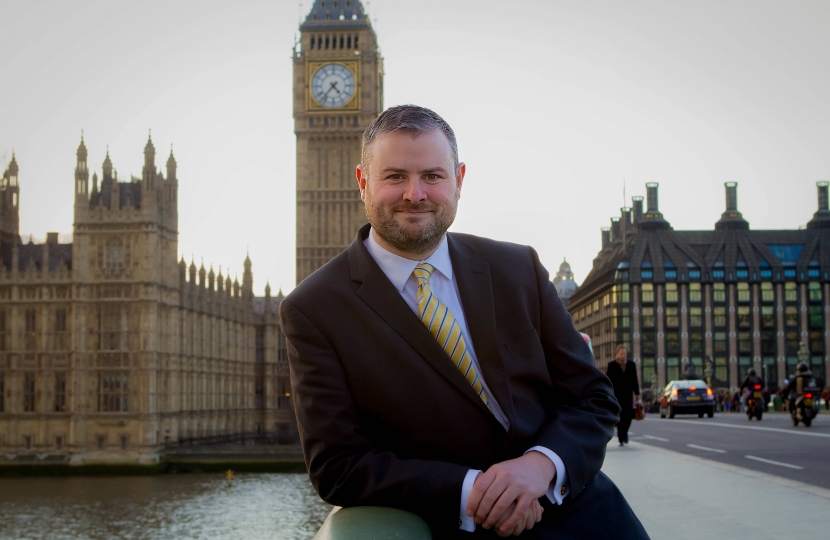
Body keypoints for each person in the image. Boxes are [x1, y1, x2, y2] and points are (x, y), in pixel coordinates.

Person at [280, 105, 649, 539]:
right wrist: (475, 491)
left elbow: (593, 397)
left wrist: (541, 466)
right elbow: (337, 467)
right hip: (454, 527)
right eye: (395, 176)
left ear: (459, 180)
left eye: (433, 176)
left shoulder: (517, 267)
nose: (415, 193)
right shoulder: (314, 308)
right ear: (363, 182)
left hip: (580, 515)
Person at [605, 345, 641, 446]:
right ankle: (621, 437)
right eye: (621, 354)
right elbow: (608, 380)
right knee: (620, 417)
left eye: (624, 354)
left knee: (628, 417)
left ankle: (625, 433)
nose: (623, 355)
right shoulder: (612, 365)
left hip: (628, 395)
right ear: (618, 354)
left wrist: (637, 393)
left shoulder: (631, 365)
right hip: (616, 395)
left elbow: (634, 380)